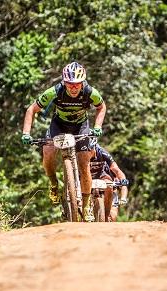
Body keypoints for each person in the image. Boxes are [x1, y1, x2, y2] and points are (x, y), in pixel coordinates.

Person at [21, 62, 106, 222]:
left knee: (84, 164)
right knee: (47, 151)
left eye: (77, 84)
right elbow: (31, 109)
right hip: (59, 124)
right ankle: (53, 184)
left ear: (83, 82)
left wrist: (98, 126)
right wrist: (26, 133)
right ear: (64, 82)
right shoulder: (55, 91)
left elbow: (102, 107)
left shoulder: (90, 92)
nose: (74, 88)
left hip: (81, 125)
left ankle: (86, 205)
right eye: (70, 84)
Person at [89, 144, 128, 221]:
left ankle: (106, 217)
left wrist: (123, 197)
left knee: (113, 217)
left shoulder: (102, 153)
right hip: (88, 179)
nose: (88, 153)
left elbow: (117, 171)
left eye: (90, 150)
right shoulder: (80, 152)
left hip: (106, 182)